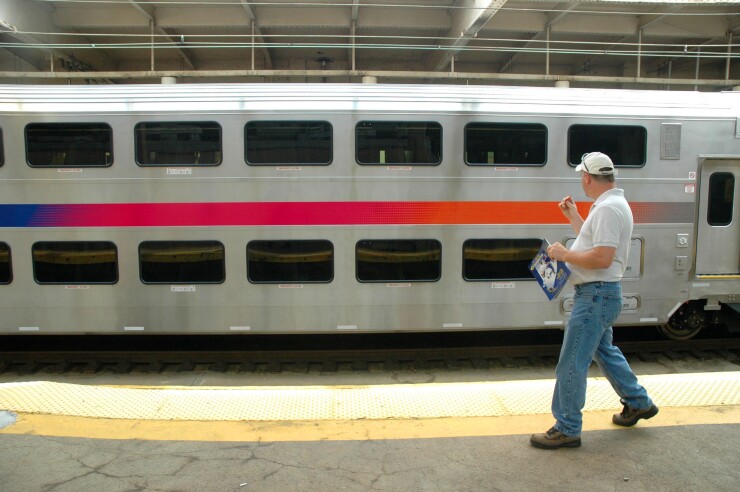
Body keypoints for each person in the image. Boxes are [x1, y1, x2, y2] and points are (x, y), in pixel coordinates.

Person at [530, 152, 658, 450]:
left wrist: (563, 255)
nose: (581, 181)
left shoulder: (608, 209)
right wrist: (574, 217)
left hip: (595, 295)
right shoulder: (612, 205)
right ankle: (639, 402)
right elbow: (595, 244)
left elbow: (601, 258)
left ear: (587, 177)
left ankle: (567, 428)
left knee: (571, 363)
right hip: (602, 294)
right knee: (605, 352)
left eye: (581, 177)